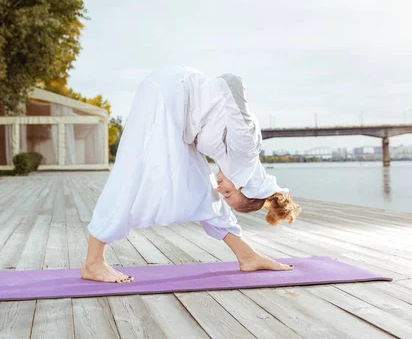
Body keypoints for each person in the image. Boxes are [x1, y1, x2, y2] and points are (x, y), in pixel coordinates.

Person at [82, 66, 301, 283]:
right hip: (171, 93)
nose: (220, 187)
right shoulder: (246, 148)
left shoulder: (234, 163)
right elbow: (232, 81)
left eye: (224, 193)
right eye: (227, 191)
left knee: (204, 192)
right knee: (132, 175)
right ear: (243, 185)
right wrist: (202, 96)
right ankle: (93, 262)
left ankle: (247, 255)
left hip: (176, 109)